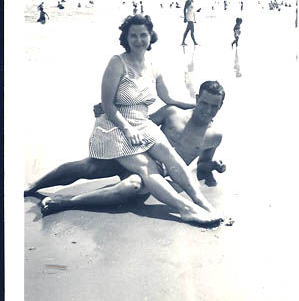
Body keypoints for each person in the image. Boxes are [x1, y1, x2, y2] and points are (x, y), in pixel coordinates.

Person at [86, 14, 223, 225]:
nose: (139, 40)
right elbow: (108, 104)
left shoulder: (153, 67)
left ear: (151, 36)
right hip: (115, 124)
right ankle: (185, 209)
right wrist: (127, 128)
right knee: (89, 168)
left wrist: (197, 106)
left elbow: (167, 98)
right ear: (126, 37)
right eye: (134, 35)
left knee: (169, 154)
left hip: (140, 124)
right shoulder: (117, 62)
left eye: (143, 35)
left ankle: (202, 202)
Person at [26, 81, 228, 216]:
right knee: (87, 167)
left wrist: (213, 167)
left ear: (221, 106)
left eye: (214, 106)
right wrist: (108, 110)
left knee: (130, 187)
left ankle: (68, 202)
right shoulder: (172, 113)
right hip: (135, 153)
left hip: (157, 174)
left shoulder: (215, 136)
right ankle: (32, 186)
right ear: (197, 98)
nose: (208, 110)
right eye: (204, 103)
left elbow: (201, 166)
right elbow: (137, 122)